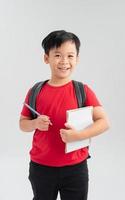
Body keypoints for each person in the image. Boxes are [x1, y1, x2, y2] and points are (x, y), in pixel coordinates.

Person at [19, 30, 110, 200]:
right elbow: (23, 123)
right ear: (46, 58)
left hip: (75, 168)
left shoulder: (82, 90)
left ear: (77, 59)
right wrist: (35, 123)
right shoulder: (36, 91)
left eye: (70, 56)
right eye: (58, 55)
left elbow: (104, 122)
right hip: (41, 167)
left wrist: (79, 135)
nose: (64, 61)